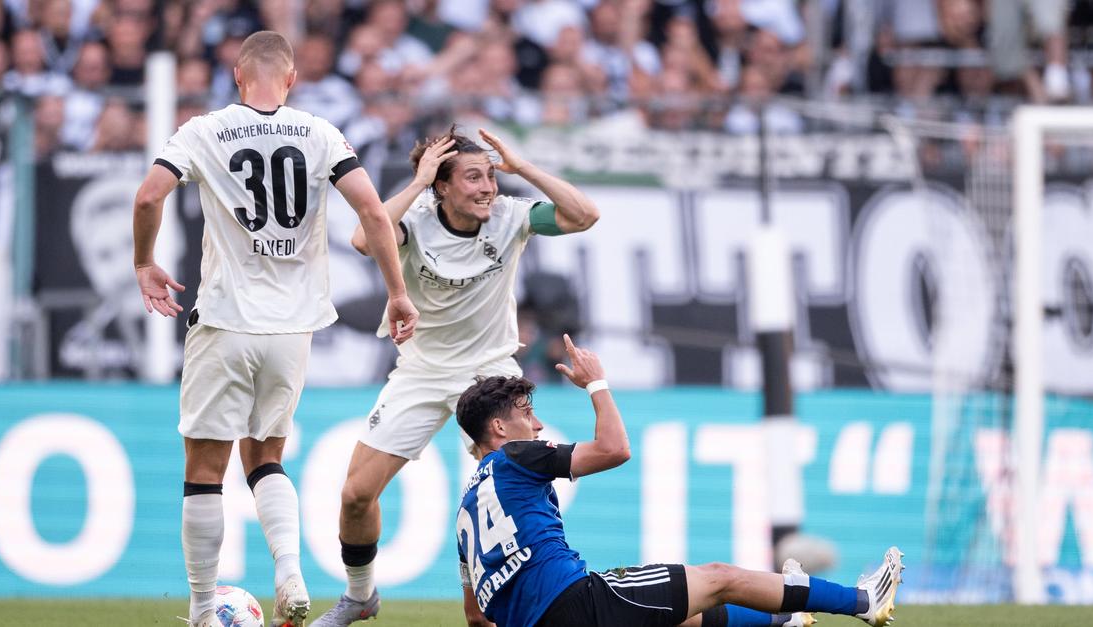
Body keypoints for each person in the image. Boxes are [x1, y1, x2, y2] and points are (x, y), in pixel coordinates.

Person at [131, 31, 418, 627]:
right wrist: (396, 292)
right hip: (293, 329)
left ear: (238, 75)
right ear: (291, 80)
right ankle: (289, 571)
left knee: (204, 469)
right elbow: (371, 211)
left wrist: (143, 261)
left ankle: (204, 611)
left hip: (226, 320)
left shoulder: (204, 130)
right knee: (266, 458)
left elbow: (147, 196)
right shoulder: (319, 132)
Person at [311, 126, 600, 625]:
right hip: (422, 371)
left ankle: (519, 605)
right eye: (473, 177)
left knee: (511, 492)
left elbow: (585, 215)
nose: (487, 187)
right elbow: (364, 237)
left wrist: (523, 168)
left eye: (489, 176)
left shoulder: (510, 216)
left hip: (490, 373)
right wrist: (417, 181)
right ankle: (360, 595)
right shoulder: (415, 221)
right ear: (441, 186)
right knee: (357, 495)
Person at [453, 334, 904, 627]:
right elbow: (615, 449)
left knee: (681, 610)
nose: (536, 425)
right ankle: (863, 599)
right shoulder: (514, 458)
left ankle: (783, 619)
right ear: (497, 428)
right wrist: (597, 384)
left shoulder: (464, 516)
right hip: (577, 604)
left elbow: (476, 618)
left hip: (549, 619)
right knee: (719, 576)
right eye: (527, 414)